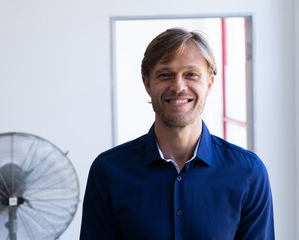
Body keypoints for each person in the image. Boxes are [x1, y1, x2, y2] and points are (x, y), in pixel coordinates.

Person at [80, 28, 275, 239]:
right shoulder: (108, 171)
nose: (178, 86)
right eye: (165, 75)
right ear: (147, 84)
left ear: (209, 84)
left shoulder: (249, 172)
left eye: (191, 75)